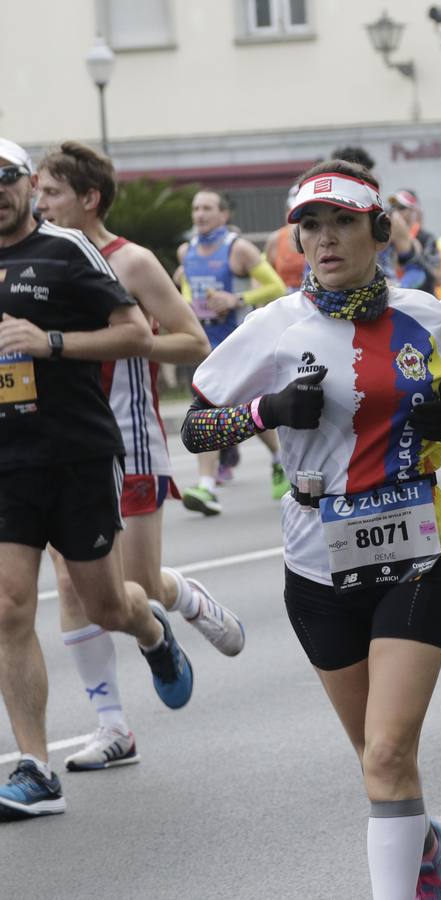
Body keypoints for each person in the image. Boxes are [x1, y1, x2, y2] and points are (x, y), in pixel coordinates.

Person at [182, 159, 441, 898]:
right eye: (310, 226)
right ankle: (429, 842)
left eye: (343, 223)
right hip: (317, 563)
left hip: (418, 551)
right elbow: (198, 426)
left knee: (388, 754)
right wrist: (267, 412)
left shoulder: (424, 314)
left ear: (378, 231)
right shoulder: (273, 328)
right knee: (376, 760)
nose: (324, 239)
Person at [34, 141, 246, 771]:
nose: (38, 203)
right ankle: (113, 726)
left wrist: (116, 341)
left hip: (129, 438)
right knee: (72, 582)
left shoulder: (133, 262)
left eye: (50, 193)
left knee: (138, 585)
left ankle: (184, 599)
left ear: (88, 197)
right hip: (62, 444)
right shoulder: (33, 262)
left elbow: (192, 341)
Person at [0, 136, 195, 820]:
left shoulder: (66, 251)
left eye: (6, 177)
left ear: (26, 183)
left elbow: (136, 334)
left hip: (78, 454)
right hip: (6, 462)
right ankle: (34, 767)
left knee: (107, 604)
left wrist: (50, 343)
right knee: (9, 606)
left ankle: (153, 633)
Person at [176, 189, 287, 514]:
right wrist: (185, 306)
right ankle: (213, 484)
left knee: (225, 409)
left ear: (224, 214)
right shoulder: (188, 251)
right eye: (196, 208)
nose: (200, 215)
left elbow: (276, 287)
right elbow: (187, 290)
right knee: (219, 409)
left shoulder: (238, 249)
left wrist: (234, 300)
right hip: (203, 342)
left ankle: (212, 483)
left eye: (207, 208)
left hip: (236, 343)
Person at [387, 189, 441, 295]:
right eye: (393, 207)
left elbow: (438, 278)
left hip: (422, 299)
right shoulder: (385, 237)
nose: (396, 212)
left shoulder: (426, 238)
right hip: (394, 299)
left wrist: (413, 252)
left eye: (401, 208)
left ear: (413, 212)